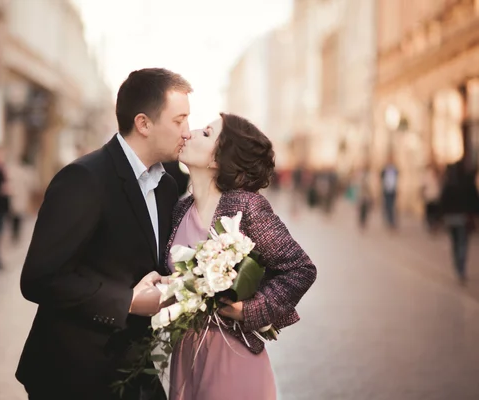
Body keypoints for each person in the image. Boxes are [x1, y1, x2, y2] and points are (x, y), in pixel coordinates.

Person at [16, 68, 193, 400]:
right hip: (72, 376)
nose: (187, 132)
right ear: (143, 123)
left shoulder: (167, 186)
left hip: (135, 373)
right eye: (179, 120)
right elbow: (39, 278)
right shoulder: (84, 179)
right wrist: (126, 301)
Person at [166, 113, 317, 399]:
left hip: (232, 356)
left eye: (206, 133)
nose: (191, 132)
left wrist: (248, 310)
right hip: (186, 354)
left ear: (217, 160)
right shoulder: (180, 210)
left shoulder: (246, 206)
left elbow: (300, 269)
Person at [439, 159, 479, 285]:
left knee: (456, 243)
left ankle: (458, 266)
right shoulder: (467, 183)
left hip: (452, 218)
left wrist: (441, 216)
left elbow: (443, 201)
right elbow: (475, 200)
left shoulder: (449, 183)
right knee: (462, 243)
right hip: (463, 218)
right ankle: (460, 267)